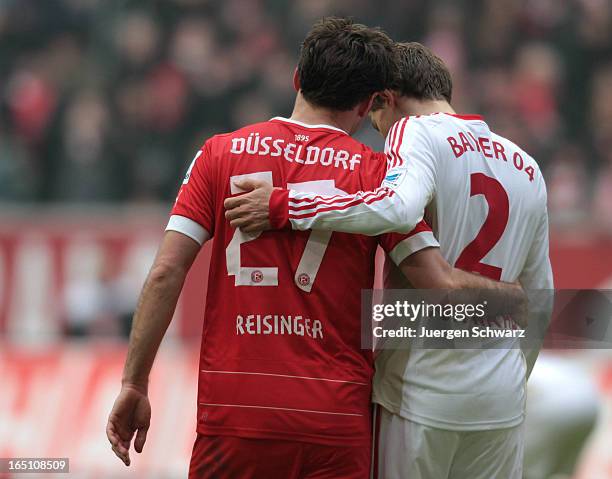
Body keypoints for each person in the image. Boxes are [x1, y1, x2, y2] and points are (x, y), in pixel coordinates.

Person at [106, 20, 521, 478]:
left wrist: (135, 381)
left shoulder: (218, 154)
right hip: (335, 421)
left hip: (235, 416)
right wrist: (512, 297)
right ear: (368, 103)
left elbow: (167, 272)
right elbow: (438, 284)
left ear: (297, 79)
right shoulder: (378, 175)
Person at [225, 42, 554, 478]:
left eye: (375, 113)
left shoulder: (414, 132)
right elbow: (541, 299)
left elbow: (396, 206)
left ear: (387, 97)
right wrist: (512, 375)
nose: (377, 131)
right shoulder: (527, 166)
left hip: (420, 392)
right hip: (500, 398)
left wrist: (285, 207)